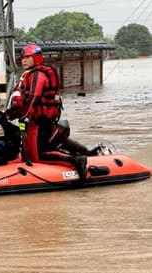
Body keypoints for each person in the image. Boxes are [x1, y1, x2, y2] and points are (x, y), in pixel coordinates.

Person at [5, 43, 89, 180]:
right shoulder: (27, 75)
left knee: (39, 155)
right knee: (27, 153)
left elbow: (34, 97)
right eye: (22, 58)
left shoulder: (38, 75)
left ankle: (75, 160)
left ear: (36, 58)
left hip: (38, 122)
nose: (23, 60)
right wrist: (8, 115)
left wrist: (25, 116)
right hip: (27, 122)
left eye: (27, 57)